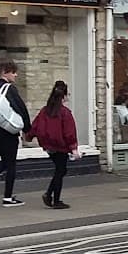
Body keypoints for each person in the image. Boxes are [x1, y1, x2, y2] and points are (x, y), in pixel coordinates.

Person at [0, 61, 31, 207]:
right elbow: (21, 109)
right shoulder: (9, 88)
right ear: (4, 72)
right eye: (13, 72)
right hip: (9, 133)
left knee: (5, 161)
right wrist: (27, 129)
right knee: (11, 163)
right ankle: (3, 195)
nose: (16, 75)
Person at [31, 81, 79, 209]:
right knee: (60, 171)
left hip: (49, 146)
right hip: (61, 146)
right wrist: (74, 148)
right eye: (68, 94)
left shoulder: (45, 110)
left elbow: (35, 126)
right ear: (63, 96)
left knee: (60, 170)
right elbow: (69, 132)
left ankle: (49, 195)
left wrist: (29, 136)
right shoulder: (65, 113)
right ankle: (54, 199)